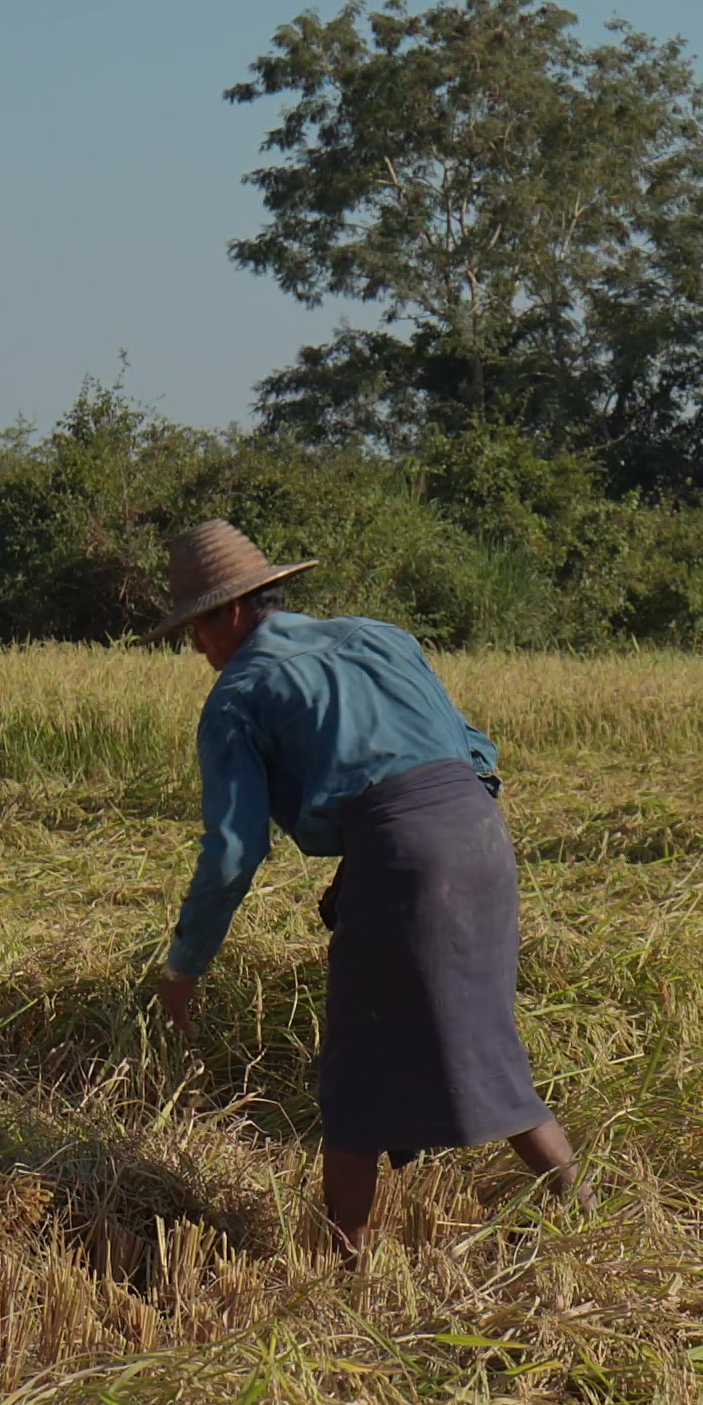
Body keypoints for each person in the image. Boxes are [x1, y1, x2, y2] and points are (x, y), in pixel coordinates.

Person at [147, 520, 574, 1255]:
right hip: (480, 836)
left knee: (357, 1068)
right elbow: (474, 751)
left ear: (234, 612)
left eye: (196, 632)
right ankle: (582, 1208)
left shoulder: (239, 695)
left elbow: (232, 851)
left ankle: (341, 1258)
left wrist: (185, 967)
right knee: (483, 1042)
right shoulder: (379, 636)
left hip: (404, 856)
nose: (198, 652)